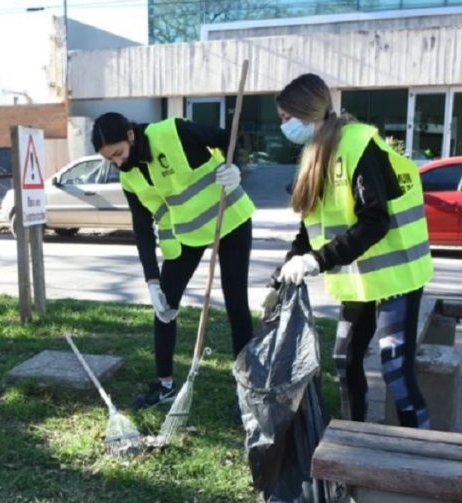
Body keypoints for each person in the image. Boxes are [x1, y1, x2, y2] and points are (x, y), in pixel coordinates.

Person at [275, 73, 434, 428]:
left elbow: (375, 220)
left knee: (395, 369)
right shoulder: (313, 155)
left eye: (286, 119)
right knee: (346, 361)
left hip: (398, 275)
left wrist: (318, 260)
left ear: (306, 113)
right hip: (359, 280)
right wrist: (288, 265)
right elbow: (309, 225)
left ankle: (423, 456)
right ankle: (355, 437)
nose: (283, 127)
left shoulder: (359, 145)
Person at [91, 112, 255, 409]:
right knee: (164, 307)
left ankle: (248, 390)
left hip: (228, 216)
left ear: (130, 135)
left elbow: (228, 139)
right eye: (110, 160)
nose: (117, 162)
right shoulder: (129, 176)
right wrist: (152, 282)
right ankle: (165, 386)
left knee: (236, 305)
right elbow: (141, 230)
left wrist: (236, 168)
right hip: (187, 234)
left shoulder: (173, 132)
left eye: (118, 153)